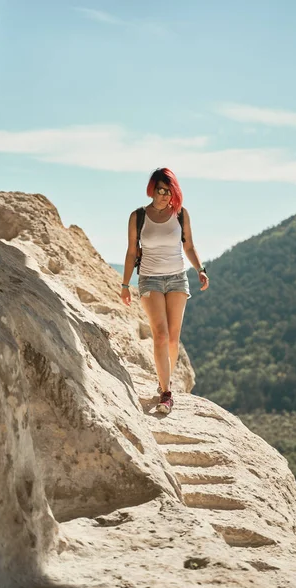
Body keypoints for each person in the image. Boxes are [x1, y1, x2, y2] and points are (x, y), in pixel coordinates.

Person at [120, 167, 209, 414]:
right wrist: (125, 285)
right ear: (152, 189)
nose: (164, 196)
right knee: (159, 334)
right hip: (150, 279)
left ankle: (163, 381)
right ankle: (166, 393)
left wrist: (200, 269)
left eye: (169, 192)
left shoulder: (180, 214)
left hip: (177, 279)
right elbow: (130, 253)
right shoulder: (138, 216)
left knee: (172, 337)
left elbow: (189, 246)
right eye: (160, 190)